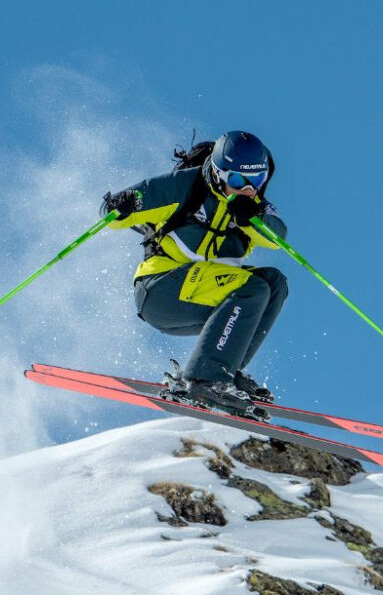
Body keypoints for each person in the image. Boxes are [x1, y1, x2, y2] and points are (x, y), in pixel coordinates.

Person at [100, 130, 289, 416]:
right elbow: (118, 212)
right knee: (253, 289)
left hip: (201, 294)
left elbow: (277, 238)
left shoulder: (254, 208)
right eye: (237, 180)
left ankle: (225, 368)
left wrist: (250, 216)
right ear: (217, 173)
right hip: (161, 289)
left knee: (274, 283)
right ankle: (205, 378)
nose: (247, 189)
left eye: (257, 180)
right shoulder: (186, 187)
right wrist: (118, 206)